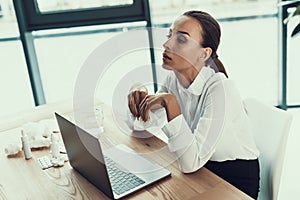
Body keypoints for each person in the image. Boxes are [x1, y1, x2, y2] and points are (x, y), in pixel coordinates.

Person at [127, 10, 260, 199]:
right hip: (201, 168)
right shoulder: (174, 79)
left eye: (181, 40)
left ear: (204, 54)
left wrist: (170, 103)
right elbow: (143, 128)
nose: (166, 44)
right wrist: (139, 101)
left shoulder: (220, 89)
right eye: (170, 35)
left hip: (234, 183)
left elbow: (191, 163)